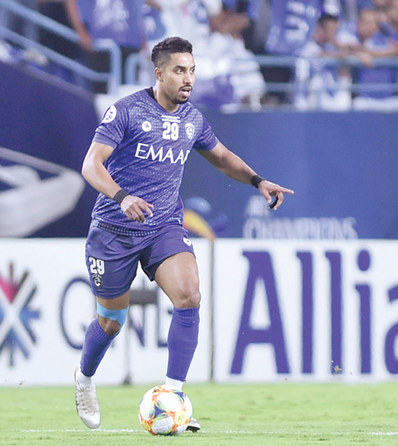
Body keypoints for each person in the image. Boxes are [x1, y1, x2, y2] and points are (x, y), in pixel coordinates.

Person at [74, 36, 294, 431]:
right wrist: (122, 197)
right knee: (110, 321)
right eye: (179, 70)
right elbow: (91, 165)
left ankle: (173, 396)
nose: (188, 78)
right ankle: (85, 378)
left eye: (192, 70)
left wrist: (258, 181)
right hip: (114, 230)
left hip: (163, 225)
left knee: (189, 295)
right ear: (158, 74)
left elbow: (223, 158)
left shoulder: (192, 119)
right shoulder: (125, 111)